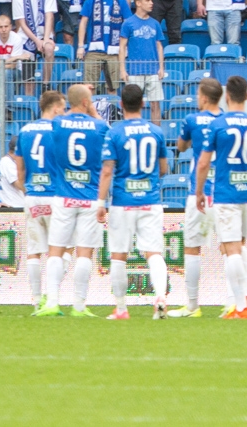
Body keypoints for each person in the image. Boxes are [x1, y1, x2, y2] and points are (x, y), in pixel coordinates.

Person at [193, 74, 247, 320]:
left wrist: (199, 191)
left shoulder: (217, 126)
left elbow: (203, 163)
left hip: (226, 193)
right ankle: (242, 300)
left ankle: (240, 307)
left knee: (231, 249)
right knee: (239, 245)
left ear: (227, 96)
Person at [33, 83, 110, 316]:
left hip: (63, 196)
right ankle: (79, 305)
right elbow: (107, 130)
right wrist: (92, 110)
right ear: (87, 102)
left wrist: (78, 101)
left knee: (55, 250)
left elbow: (60, 120)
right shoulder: (99, 126)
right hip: (90, 198)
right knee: (84, 252)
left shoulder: (57, 122)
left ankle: (52, 301)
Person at [96, 82, 169, 320]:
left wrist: (100, 202)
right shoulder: (156, 132)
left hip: (122, 202)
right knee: (154, 252)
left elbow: (107, 170)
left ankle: (121, 308)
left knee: (119, 254)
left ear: (120, 105)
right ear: (144, 104)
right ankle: (160, 297)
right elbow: (164, 168)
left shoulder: (114, 132)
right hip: (150, 200)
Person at [168, 76, 223, 318]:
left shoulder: (191, 119)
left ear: (203, 97)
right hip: (224, 193)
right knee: (232, 247)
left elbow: (180, 147)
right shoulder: (227, 121)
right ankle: (236, 303)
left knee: (192, 248)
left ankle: (192, 305)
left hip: (198, 193)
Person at [12, 90, 66, 306]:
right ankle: (52, 294)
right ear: (54, 108)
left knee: (34, 250)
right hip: (55, 195)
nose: (64, 112)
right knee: (64, 247)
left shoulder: (24, 131)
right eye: (62, 108)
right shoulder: (59, 130)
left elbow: (20, 168)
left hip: (33, 195)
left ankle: (36, 299)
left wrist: (27, 190)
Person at [119, 0, 165, 122]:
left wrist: (161, 68)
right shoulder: (128, 23)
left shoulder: (155, 23)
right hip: (134, 71)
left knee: (155, 104)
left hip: (153, 70)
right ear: (138, 3)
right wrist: (122, 70)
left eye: (152, 0)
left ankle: (156, 133)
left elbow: (159, 47)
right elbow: (122, 47)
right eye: (148, 0)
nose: (151, 3)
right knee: (132, 105)